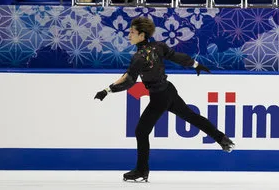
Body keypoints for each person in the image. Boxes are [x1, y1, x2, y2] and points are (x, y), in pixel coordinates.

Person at [94, 17, 234, 182]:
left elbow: (130, 81)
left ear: (142, 35)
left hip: (159, 98)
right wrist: (195, 64)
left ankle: (141, 171)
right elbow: (175, 57)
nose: (129, 35)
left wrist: (109, 91)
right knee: (191, 117)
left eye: (132, 32)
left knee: (141, 131)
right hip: (168, 90)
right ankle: (222, 139)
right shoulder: (157, 47)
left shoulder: (139, 57)